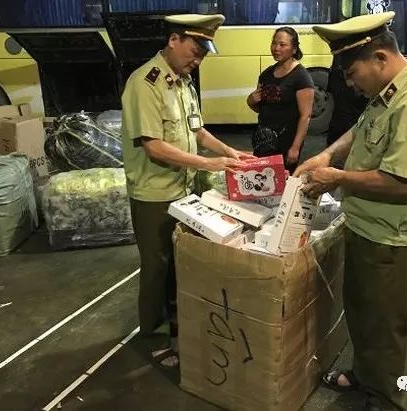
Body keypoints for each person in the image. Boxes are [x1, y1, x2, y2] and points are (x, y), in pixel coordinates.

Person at [295, 12, 407, 410]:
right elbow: (360, 131)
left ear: (380, 58)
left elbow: (403, 183)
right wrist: (326, 156)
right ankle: (365, 374)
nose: (350, 84)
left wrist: (336, 178)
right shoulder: (388, 93)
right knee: (363, 311)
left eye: (352, 74)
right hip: (366, 225)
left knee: (383, 326)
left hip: (389, 236)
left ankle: (384, 398)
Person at [121, 13, 253, 367]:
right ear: (173, 40)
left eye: (203, 56)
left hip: (183, 190)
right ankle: (154, 336)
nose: (197, 61)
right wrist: (209, 165)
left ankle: (178, 328)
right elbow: (153, 146)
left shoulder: (182, 83)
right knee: (157, 267)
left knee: (179, 264)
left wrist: (229, 152)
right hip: (154, 194)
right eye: (195, 52)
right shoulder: (145, 83)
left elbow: (197, 130)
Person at [246, 26, 314, 175]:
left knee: (282, 181)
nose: (276, 48)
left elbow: (305, 116)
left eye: (282, 45)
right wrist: (250, 101)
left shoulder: (301, 77)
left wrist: (295, 148)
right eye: (274, 43)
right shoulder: (266, 74)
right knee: (261, 179)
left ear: (294, 49)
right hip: (264, 140)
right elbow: (261, 108)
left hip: (287, 142)